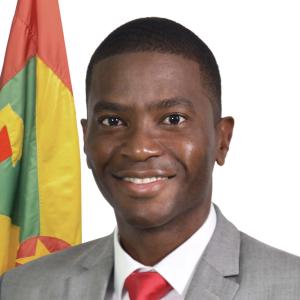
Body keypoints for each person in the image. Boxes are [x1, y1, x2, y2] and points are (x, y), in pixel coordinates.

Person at [1, 17, 300, 300]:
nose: (139, 148)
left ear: (222, 139)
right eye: (112, 121)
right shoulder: (21, 289)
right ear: (86, 137)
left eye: (172, 119)